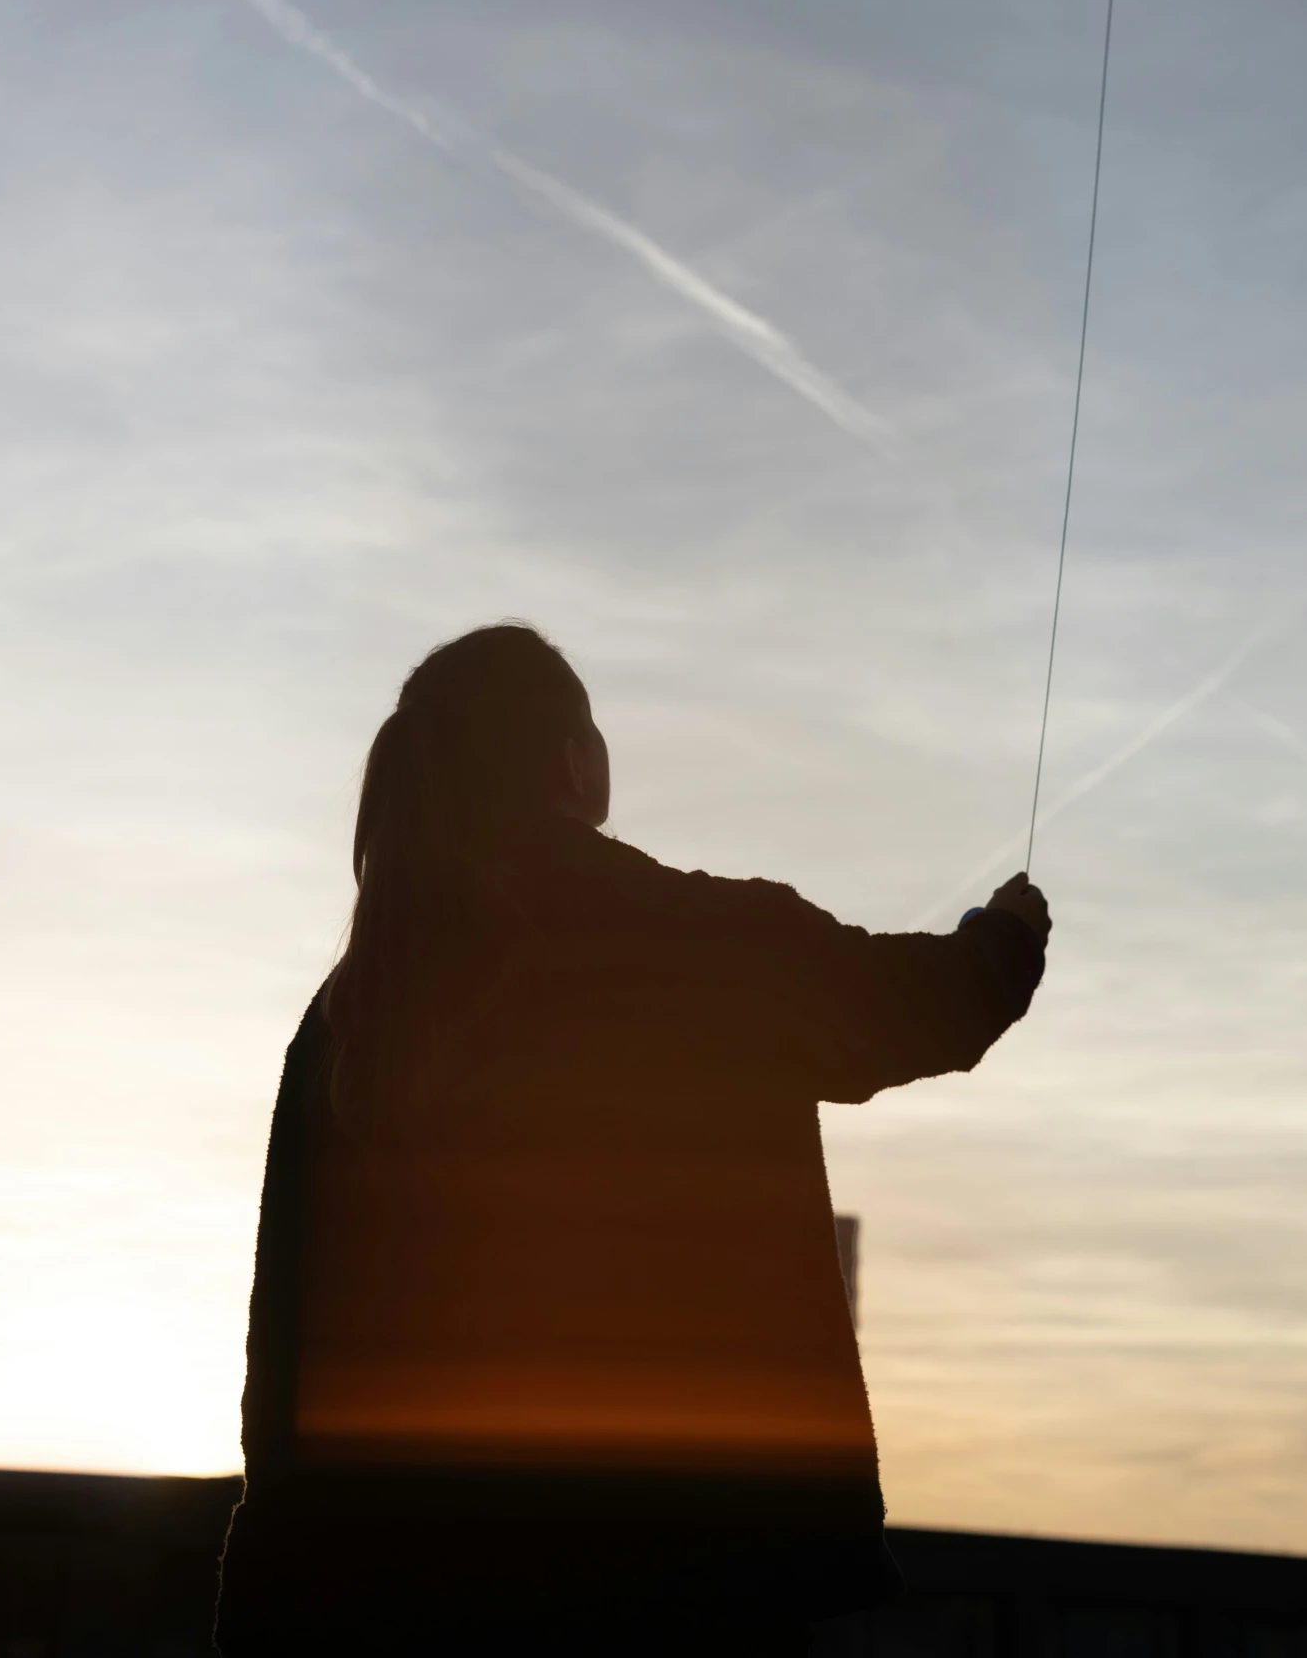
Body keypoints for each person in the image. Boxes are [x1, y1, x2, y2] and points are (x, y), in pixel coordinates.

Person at [215, 623, 1050, 1657]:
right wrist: (1006, 938)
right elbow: (919, 1007)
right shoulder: (697, 938)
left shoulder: (349, 1011)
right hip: (683, 1573)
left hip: (403, 1593)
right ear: (574, 759)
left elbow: (284, 1340)